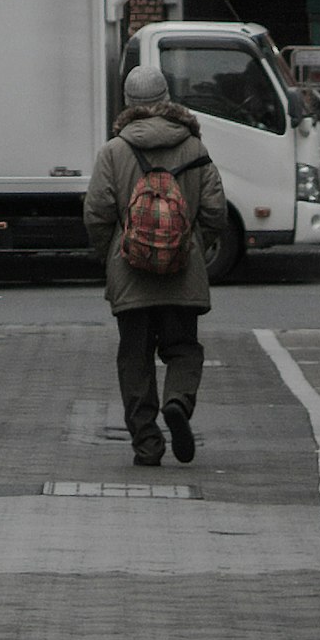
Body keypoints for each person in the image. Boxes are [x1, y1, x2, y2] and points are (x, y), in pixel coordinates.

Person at [86, 63, 222, 466]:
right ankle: (177, 401)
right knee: (183, 348)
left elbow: (96, 214)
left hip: (131, 274)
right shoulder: (195, 149)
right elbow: (215, 212)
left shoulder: (114, 151)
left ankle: (147, 443)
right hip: (183, 272)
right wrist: (195, 245)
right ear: (167, 100)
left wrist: (111, 257)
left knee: (135, 357)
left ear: (129, 104)